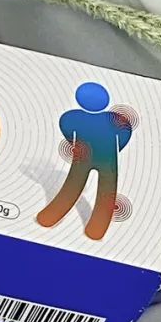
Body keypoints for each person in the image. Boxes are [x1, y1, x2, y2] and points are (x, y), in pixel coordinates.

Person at [36, 82, 133, 242]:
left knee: (71, 187)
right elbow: (124, 135)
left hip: (83, 157)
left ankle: (49, 218)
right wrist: (114, 150)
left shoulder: (71, 118)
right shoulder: (116, 119)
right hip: (108, 159)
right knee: (106, 193)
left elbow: (67, 132)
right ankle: (97, 230)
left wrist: (78, 146)